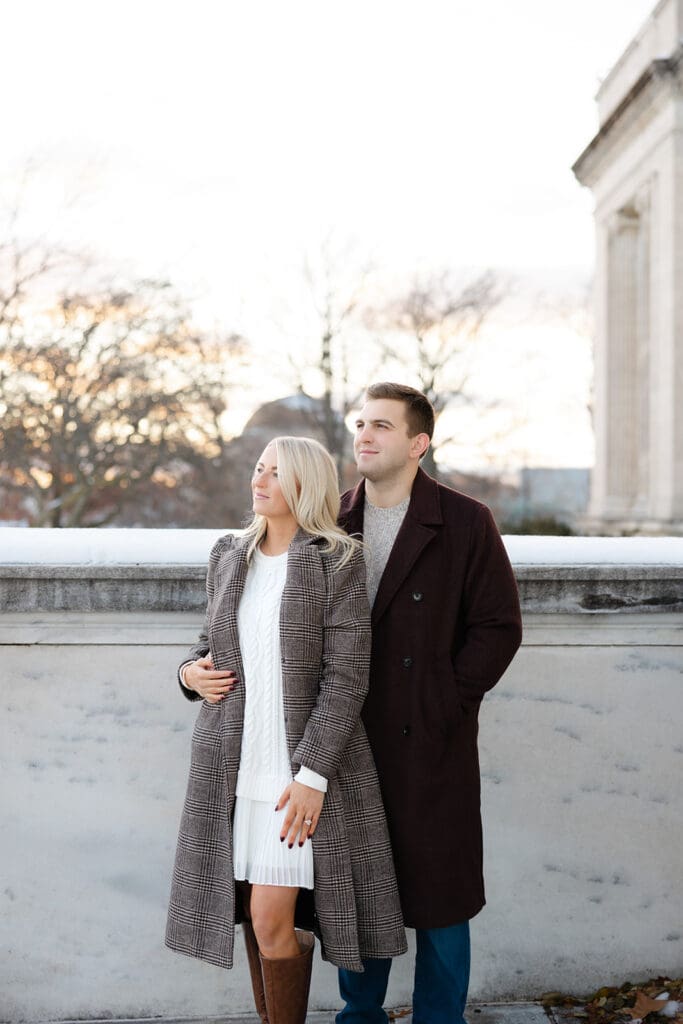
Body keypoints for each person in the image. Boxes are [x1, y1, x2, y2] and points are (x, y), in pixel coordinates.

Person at [166, 435, 407, 1024]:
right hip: (232, 770)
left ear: (304, 484)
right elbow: (209, 646)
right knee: (257, 919)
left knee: (273, 918)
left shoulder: (337, 560)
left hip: (295, 779)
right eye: (258, 469)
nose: (260, 481)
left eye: (275, 472)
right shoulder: (228, 553)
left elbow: (348, 678)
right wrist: (188, 673)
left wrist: (313, 776)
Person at [336, 383, 523, 1024]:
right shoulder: (331, 520)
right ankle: (359, 1017)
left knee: (441, 900)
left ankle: (440, 1020)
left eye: (382, 425)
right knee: (363, 894)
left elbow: (498, 626)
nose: (365, 434)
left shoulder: (465, 520)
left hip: (433, 743)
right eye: (362, 422)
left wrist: (447, 700)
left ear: (419, 444)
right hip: (349, 742)